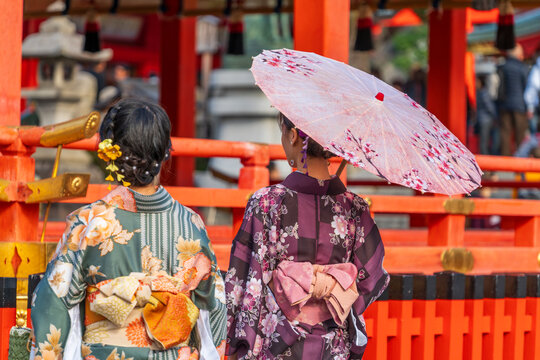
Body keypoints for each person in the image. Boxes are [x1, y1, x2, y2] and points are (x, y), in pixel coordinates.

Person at [31, 99, 226, 360]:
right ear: (166, 151)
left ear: (110, 152)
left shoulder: (89, 224)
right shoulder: (192, 224)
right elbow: (213, 306)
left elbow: (53, 302)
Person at [225, 114, 389, 359]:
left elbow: (244, 283)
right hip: (334, 347)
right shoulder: (355, 208)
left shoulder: (266, 202)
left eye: (282, 132)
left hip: (277, 343)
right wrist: (332, 298)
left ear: (292, 136)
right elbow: (369, 278)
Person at [497, 44, 529, 156]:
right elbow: (527, 86)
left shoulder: (503, 66)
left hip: (504, 104)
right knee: (520, 134)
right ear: (519, 54)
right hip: (519, 105)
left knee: (505, 133)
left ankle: (505, 160)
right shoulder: (522, 67)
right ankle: (520, 159)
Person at [475, 75, 498, 154]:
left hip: (485, 120)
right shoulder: (480, 93)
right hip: (484, 120)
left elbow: (490, 107)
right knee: (484, 142)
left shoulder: (483, 93)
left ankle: (485, 158)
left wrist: (495, 117)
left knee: (484, 142)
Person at [524, 46, 540, 134]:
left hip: (536, 107)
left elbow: (532, 89)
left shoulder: (536, 69)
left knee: (536, 136)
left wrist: (530, 107)